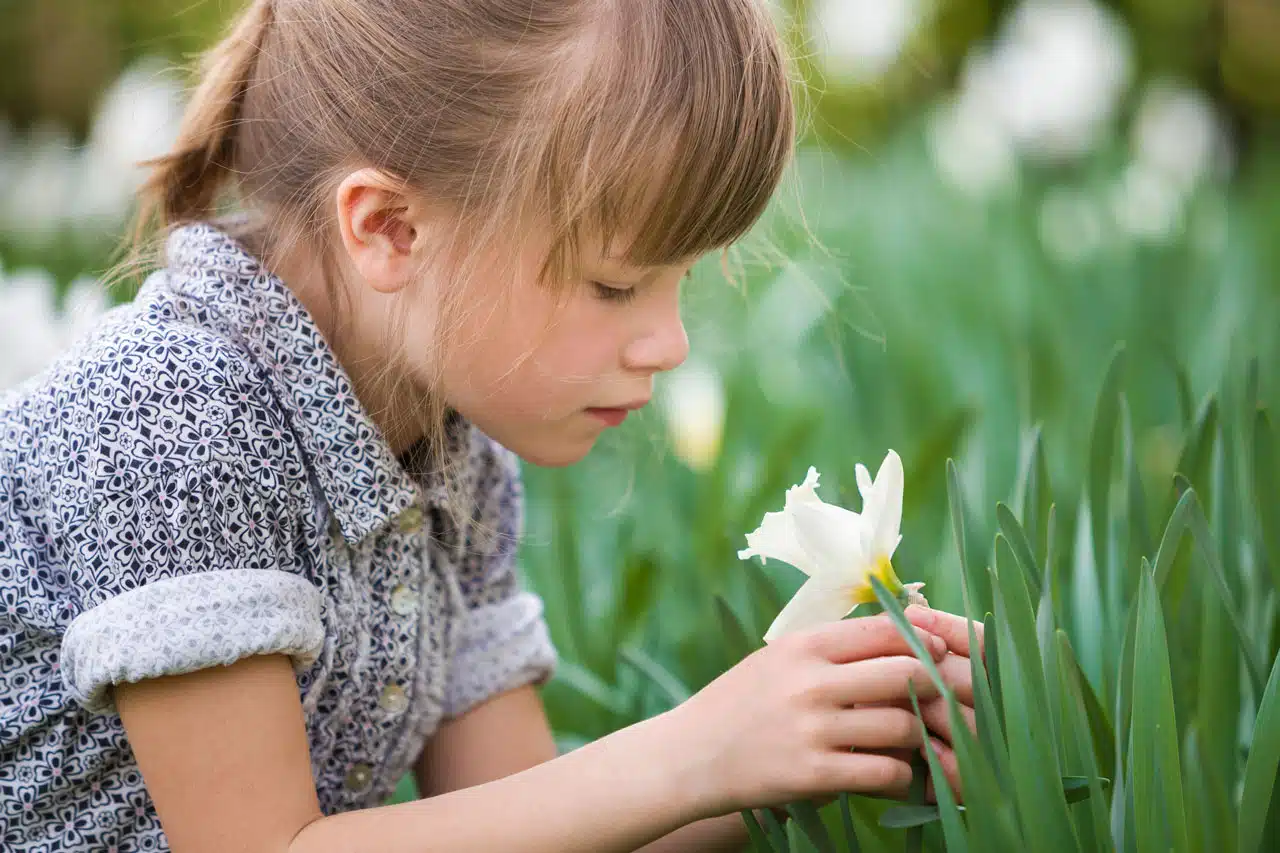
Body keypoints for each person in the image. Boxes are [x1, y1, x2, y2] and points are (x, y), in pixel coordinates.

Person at [0, 0, 981, 850]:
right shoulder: (173, 411)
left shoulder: (444, 447)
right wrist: (700, 747)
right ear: (387, 227)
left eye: (681, 281)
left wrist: (816, 733)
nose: (669, 343)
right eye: (615, 284)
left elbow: (518, 817)